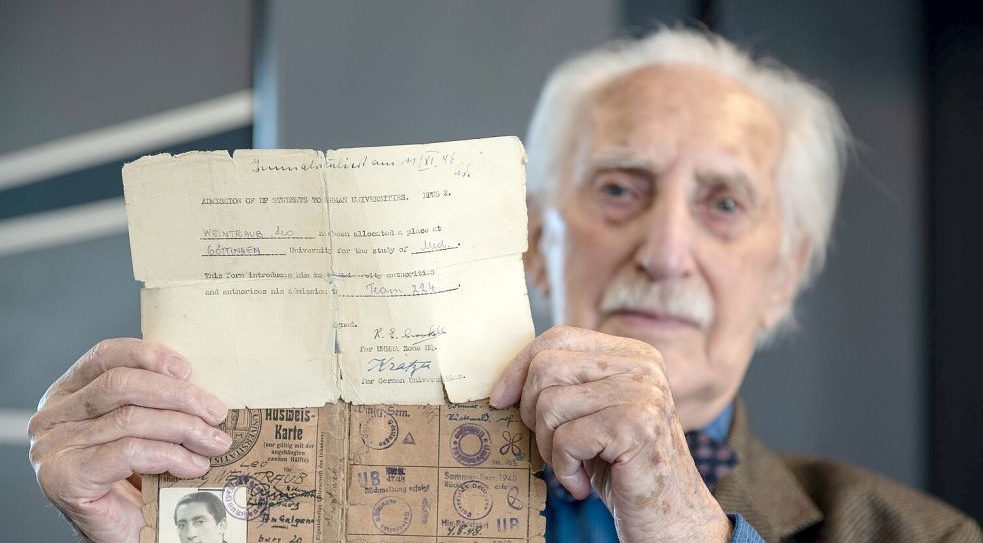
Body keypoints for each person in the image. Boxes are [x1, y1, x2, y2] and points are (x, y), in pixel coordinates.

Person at [26, 28, 981, 543]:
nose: (664, 250)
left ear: (784, 277)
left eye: (723, 204)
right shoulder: (347, 486)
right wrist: (136, 537)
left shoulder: (914, 537)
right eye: (619, 187)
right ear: (530, 241)